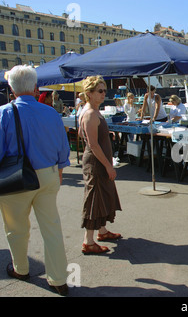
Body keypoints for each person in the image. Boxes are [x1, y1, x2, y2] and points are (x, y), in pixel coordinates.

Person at [0, 65, 71, 296]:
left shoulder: (4, 113)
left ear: (11, 88)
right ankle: (59, 279)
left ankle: (21, 268)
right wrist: (59, 171)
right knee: (52, 228)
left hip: (15, 178)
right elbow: (63, 147)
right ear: (35, 87)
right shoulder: (50, 112)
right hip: (48, 174)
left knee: (16, 228)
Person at [78, 76, 122, 255]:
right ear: (89, 94)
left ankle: (102, 232)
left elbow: (86, 136)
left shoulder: (94, 111)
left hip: (100, 162)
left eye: (105, 90)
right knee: (94, 200)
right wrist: (108, 166)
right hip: (96, 164)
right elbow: (93, 144)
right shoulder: (89, 114)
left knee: (103, 197)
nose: (104, 94)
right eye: (100, 91)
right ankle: (88, 241)